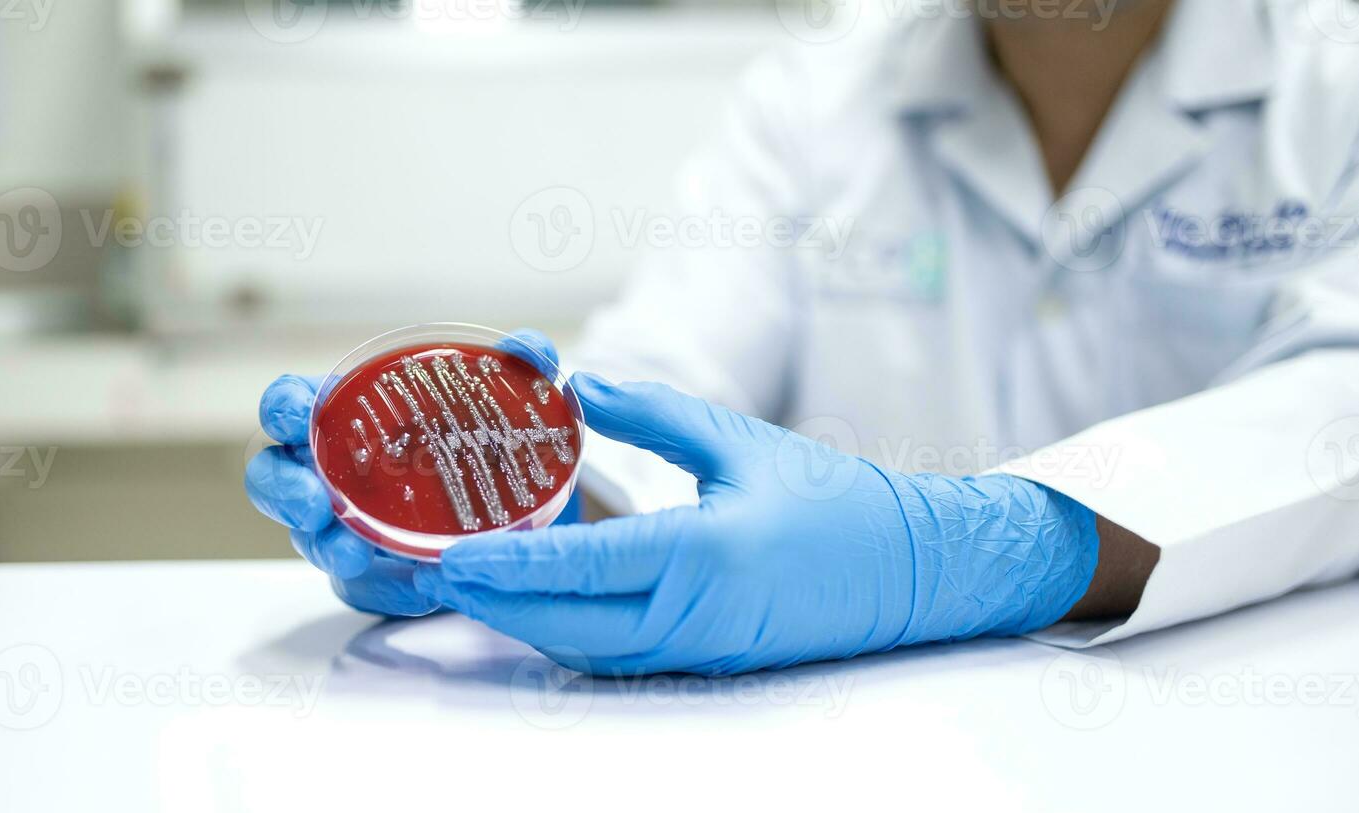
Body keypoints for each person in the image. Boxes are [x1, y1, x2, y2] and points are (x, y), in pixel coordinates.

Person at [246, 0, 1359, 675]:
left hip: (1241, 755)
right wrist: (519, 513)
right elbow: (662, 379)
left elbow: (1336, 406)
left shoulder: (1333, 75)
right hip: (885, 769)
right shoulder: (817, 98)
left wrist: (989, 548)